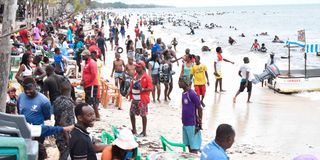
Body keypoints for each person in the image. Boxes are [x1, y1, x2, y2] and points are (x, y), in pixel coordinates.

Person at [17, 77, 51, 159]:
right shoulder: (21, 97)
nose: (27, 91)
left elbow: (46, 117)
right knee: (25, 153)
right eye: (25, 89)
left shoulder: (44, 101)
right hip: (24, 131)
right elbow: (19, 111)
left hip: (38, 132)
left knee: (38, 153)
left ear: (35, 86)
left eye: (29, 88)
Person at [178, 76, 202, 154]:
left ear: (186, 83)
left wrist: (200, 121)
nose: (179, 83)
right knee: (188, 145)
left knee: (194, 147)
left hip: (192, 124)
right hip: (185, 123)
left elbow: (199, 107)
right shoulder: (183, 93)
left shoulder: (192, 94)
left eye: (181, 81)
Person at [129, 61, 153, 137]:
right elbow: (132, 85)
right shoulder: (135, 75)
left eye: (138, 67)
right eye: (136, 66)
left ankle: (144, 131)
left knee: (143, 115)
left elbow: (151, 88)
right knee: (131, 114)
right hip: (134, 99)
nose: (136, 68)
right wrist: (128, 93)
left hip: (142, 99)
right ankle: (134, 129)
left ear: (142, 68)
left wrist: (143, 90)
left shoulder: (146, 77)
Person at [81, 50, 100, 120]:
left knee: (92, 101)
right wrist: (83, 80)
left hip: (91, 84)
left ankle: (96, 116)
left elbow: (94, 75)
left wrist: (86, 82)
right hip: (87, 85)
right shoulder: (86, 63)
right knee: (88, 100)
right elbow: (85, 73)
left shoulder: (92, 63)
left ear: (87, 55)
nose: (82, 56)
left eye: (83, 55)